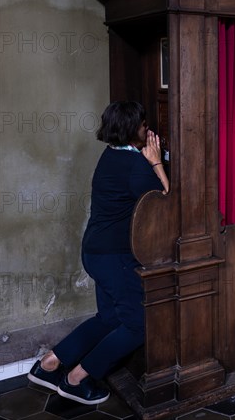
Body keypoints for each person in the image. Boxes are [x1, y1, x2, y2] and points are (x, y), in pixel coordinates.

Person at [28, 101, 169, 405]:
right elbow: (165, 205)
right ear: (134, 129)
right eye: (144, 125)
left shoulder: (111, 156)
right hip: (114, 257)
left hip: (95, 251)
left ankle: (49, 364)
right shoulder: (135, 165)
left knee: (109, 317)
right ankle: (77, 378)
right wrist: (156, 162)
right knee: (138, 325)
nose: (148, 130)